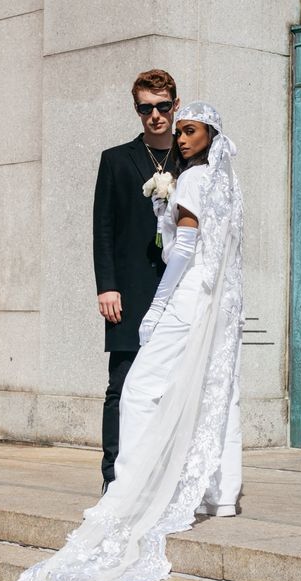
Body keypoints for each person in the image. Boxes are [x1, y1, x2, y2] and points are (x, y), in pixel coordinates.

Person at [0, 102, 243, 581]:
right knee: (212, 392)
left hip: (183, 298)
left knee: (139, 392)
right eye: (176, 128)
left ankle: (131, 490)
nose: (178, 134)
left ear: (211, 136)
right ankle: (217, 492)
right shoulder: (217, 179)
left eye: (188, 127)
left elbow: (181, 252)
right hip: (210, 299)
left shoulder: (198, 178)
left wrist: (155, 309)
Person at [93, 69, 179, 492]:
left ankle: (163, 477)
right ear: (137, 110)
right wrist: (106, 285)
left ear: (175, 106)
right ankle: (114, 479)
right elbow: (103, 228)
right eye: (146, 108)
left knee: (173, 386)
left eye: (162, 106)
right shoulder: (115, 159)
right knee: (121, 385)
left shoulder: (191, 159)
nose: (155, 115)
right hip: (126, 291)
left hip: (177, 293)